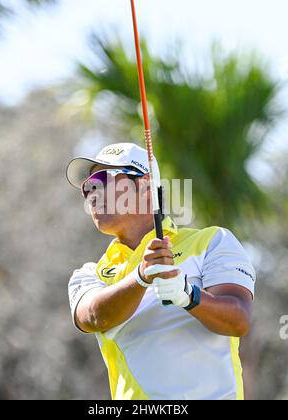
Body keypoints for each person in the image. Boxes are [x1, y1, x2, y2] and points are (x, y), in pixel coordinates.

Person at [66, 142, 256, 400]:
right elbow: (95, 316)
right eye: (87, 187)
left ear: (145, 184)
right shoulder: (91, 274)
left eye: (102, 179)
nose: (92, 193)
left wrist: (189, 296)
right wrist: (141, 278)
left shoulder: (212, 241)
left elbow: (239, 320)